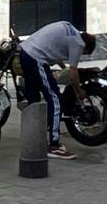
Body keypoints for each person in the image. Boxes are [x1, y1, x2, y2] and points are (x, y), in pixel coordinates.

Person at [17, 20, 96, 159]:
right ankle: (54, 145)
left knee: (34, 101)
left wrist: (63, 68)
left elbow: (55, 48)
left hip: (26, 51)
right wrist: (79, 92)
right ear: (85, 49)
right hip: (37, 58)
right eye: (83, 54)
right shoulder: (78, 44)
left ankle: (34, 139)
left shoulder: (70, 27)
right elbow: (73, 73)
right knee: (56, 100)